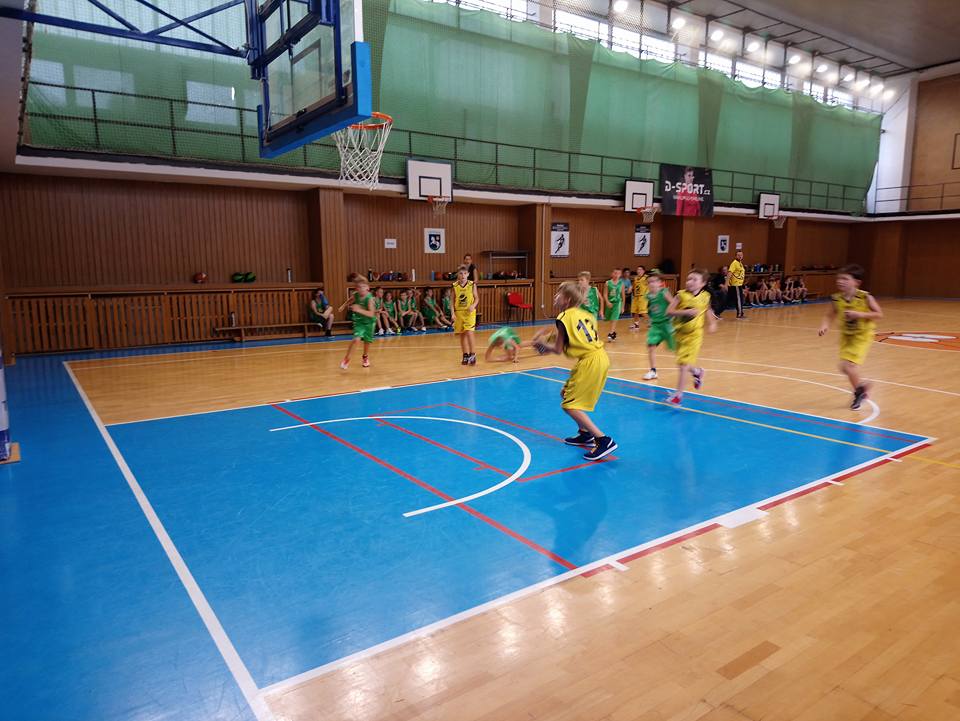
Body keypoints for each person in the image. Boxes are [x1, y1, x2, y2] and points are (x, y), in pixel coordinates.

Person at [535, 281, 617, 461]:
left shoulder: (564, 317)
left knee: (569, 405)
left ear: (567, 299)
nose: (555, 296)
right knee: (565, 393)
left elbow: (557, 349)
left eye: (558, 294)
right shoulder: (585, 314)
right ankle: (585, 433)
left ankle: (603, 440)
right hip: (598, 357)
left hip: (590, 361)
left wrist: (541, 344)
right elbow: (568, 342)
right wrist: (544, 345)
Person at [818, 264, 883, 410]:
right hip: (846, 336)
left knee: (848, 366)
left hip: (862, 336)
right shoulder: (836, 299)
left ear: (856, 282)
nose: (840, 281)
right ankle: (862, 388)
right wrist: (824, 325)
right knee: (844, 367)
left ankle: (859, 394)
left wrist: (859, 314)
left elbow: (879, 314)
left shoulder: (865, 297)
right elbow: (829, 315)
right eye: (839, 278)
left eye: (845, 279)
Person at [666, 269, 718, 404]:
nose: (690, 282)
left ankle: (678, 395)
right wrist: (685, 312)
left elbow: (708, 310)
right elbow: (669, 311)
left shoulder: (705, 296)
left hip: (695, 336)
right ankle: (697, 372)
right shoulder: (681, 295)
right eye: (688, 279)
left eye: (694, 279)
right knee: (682, 363)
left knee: (683, 365)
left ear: (703, 283)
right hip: (679, 334)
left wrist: (712, 323)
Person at [641, 272, 675, 380]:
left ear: (660, 283)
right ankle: (653, 371)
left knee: (676, 349)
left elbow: (673, 303)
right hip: (655, 325)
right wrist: (650, 319)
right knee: (650, 346)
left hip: (666, 324)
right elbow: (652, 308)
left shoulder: (664, 292)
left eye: (654, 281)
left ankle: (692, 369)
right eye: (649, 282)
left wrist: (672, 315)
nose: (651, 284)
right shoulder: (648, 295)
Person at [339, 276, 376, 369]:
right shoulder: (356, 295)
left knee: (367, 342)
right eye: (359, 287)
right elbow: (350, 300)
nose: (361, 289)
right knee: (356, 339)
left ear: (368, 287)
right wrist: (343, 306)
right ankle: (346, 359)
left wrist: (359, 309)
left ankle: (365, 357)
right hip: (359, 321)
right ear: (356, 289)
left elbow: (371, 314)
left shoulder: (370, 299)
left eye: (363, 286)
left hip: (369, 323)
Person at [453, 265, 478, 365]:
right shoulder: (454, 286)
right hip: (459, 313)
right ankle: (465, 355)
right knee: (462, 335)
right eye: (460, 273)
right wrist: (452, 313)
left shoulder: (472, 285)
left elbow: (477, 298)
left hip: (469, 313)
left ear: (468, 274)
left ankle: (473, 354)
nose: (463, 275)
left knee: (469, 332)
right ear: (458, 275)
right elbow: (451, 300)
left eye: (464, 273)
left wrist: (473, 305)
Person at [600, 267, 625, 342]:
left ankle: (611, 333)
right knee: (610, 319)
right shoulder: (607, 283)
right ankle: (613, 332)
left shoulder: (621, 283)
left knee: (614, 318)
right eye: (615, 273)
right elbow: (605, 294)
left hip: (617, 303)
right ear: (612, 274)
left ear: (620, 275)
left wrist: (622, 306)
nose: (616, 275)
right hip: (610, 303)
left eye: (618, 273)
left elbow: (623, 296)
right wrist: (607, 302)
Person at [726, 250, 746, 319]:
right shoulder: (734, 263)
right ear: (735, 256)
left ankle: (718, 311)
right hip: (735, 285)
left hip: (739, 285)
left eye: (741, 255)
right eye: (738, 255)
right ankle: (740, 314)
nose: (740, 256)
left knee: (729, 299)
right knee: (739, 299)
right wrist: (726, 284)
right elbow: (729, 273)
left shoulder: (740, 263)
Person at [629, 265, 648, 330]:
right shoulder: (636, 278)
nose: (638, 271)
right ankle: (636, 324)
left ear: (643, 271)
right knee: (635, 311)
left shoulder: (646, 278)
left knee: (643, 312)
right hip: (636, 297)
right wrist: (631, 288)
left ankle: (652, 324)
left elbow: (650, 285)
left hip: (643, 297)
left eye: (640, 269)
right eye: (637, 269)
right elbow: (634, 286)